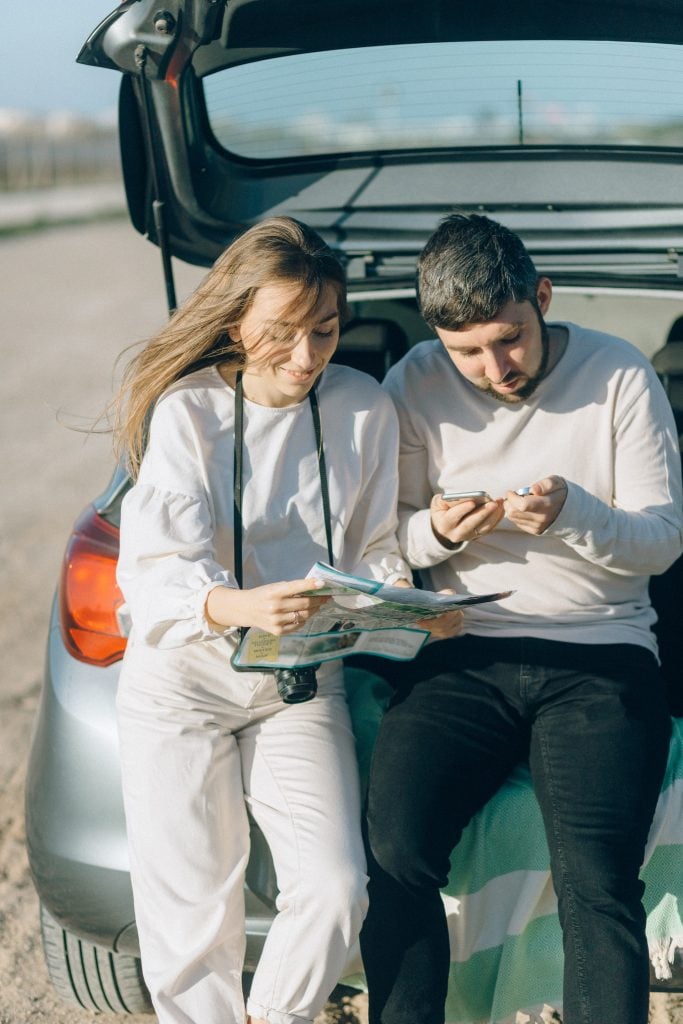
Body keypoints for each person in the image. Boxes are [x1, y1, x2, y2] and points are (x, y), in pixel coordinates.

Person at [113, 216, 462, 1024]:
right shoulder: (187, 414)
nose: (306, 356)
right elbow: (157, 572)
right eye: (280, 334)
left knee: (337, 888)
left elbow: (372, 552)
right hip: (181, 689)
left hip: (298, 684)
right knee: (193, 919)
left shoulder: (363, 408)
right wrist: (235, 603)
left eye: (325, 330)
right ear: (235, 322)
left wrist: (410, 610)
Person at [360, 213, 683, 1024]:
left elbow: (662, 542)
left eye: (508, 339)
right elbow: (376, 543)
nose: (491, 367)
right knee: (395, 849)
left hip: (601, 655)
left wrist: (574, 512)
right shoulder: (411, 381)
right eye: (465, 351)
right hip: (464, 651)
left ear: (540, 297)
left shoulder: (617, 375)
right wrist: (432, 532)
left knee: (597, 879)